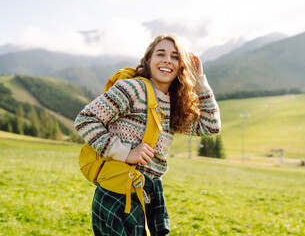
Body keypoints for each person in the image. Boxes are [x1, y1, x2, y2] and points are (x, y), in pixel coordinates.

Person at [74, 34, 221, 235]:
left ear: (181, 66)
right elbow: (86, 119)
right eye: (161, 54)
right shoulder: (133, 88)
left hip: (148, 193)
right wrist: (125, 152)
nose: (167, 60)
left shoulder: (174, 105)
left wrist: (200, 79)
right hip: (120, 193)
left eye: (175, 56)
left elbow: (211, 125)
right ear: (148, 61)